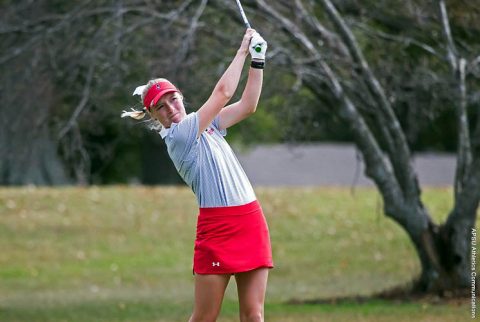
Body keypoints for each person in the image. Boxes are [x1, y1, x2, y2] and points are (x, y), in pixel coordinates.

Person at [122, 29, 273, 322]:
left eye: (173, 100)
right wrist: (242, 49)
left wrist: (258, 60)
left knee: (254, 315)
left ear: (181, 98)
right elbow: (223, 93)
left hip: (250, 218)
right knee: (205, 317)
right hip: (217, 228)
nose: (170, 109)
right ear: (154, 117)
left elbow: (248, 105)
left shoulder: (206, 124)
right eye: (160, 107)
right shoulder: (179, 135)